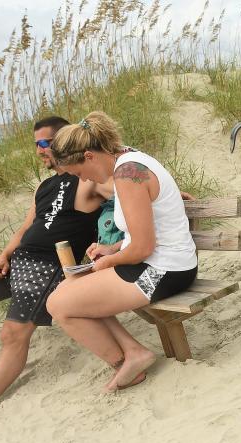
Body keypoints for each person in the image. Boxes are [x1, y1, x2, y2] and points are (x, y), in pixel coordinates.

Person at [0, 115, 112, 415]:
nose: (39, 150)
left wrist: (165, 195)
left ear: (65, 141)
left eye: (44, 143)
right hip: (19, 261)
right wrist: (3, 256)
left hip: (47, 267)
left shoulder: (88, 179)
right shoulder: (46, 186)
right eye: (36, 143)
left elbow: (129, 191)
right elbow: (24, 229)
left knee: (11, 334)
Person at [46, 111, 199, 391]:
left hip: (163, 270)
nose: (87, 180)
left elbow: (143, 246)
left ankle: (125, 361)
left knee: (59, 305)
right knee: (71, 290)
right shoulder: (128, 160)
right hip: (162, 263)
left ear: (89, 156)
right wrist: (111, 248)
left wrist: (109, 262)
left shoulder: (128, 174)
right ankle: (133, 353)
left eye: (80, 173)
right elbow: (141, 230)